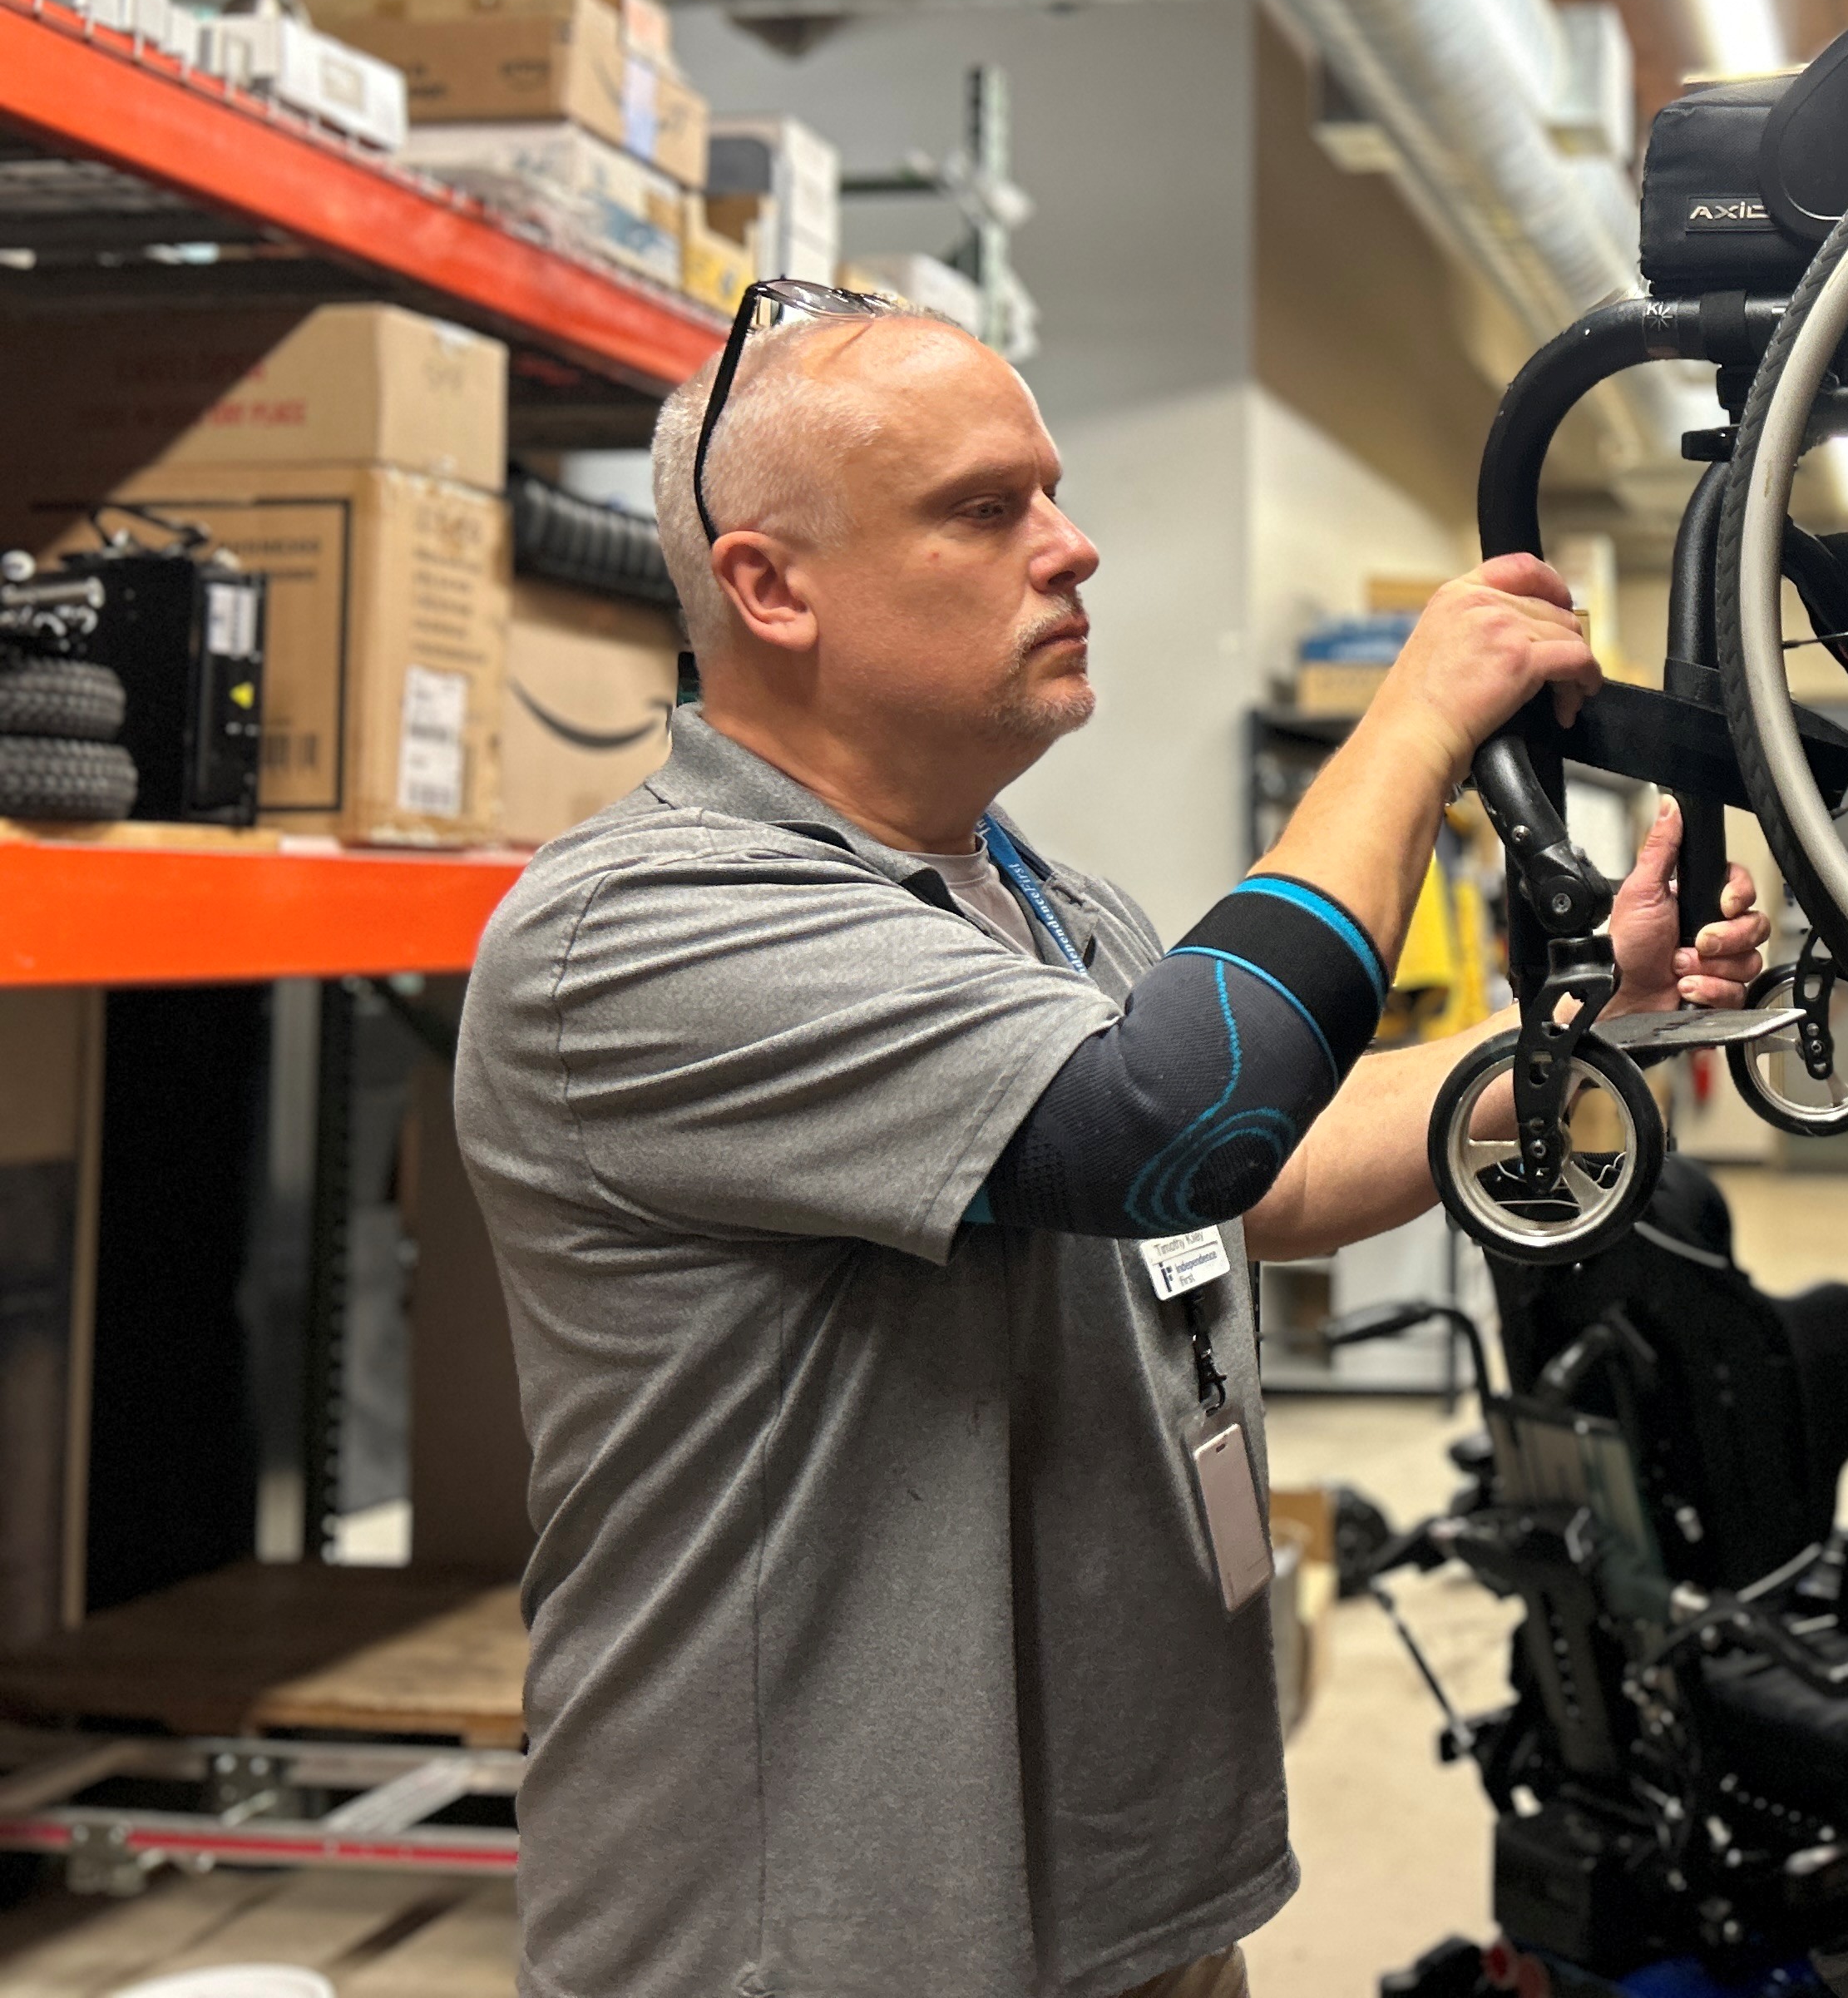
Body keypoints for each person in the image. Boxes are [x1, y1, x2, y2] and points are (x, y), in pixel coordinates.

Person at [453, 297, 1768, 1998]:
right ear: (770, 588)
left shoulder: (1044, 904)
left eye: (1053, 495)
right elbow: (1172, 1125)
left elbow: (1265, 1175)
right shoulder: (645, 930)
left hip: (1120, 1917)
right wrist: (1411, 725)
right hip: (815, 1936)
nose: (1072, 550)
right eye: (985, 509)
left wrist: (1578, 1039)